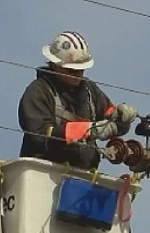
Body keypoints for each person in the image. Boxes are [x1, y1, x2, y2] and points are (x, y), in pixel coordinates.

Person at [18, 31, 138, 169]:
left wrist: (121, 119)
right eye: (72, 70)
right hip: (44, 173)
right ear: (56, 65)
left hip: (83, 175)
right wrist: (88, 130)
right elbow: (39, 135)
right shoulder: (39, 91)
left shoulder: (88, 90)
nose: (78, 75)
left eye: (81, 70)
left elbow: (110, 116)